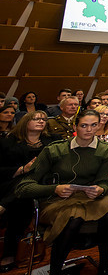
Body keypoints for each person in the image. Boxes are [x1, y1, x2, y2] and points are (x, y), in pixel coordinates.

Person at [16, 110, 108, 275]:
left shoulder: (105, 150)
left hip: (89, 199)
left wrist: (101, 190)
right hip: (57, 200)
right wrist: (54, 189)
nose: (89, 130)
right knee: (74, 215)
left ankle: (104, 267)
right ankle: (56, 269)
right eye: (84, 125)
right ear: (75, 126)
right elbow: (23, 187)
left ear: (100, 126)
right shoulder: (55, 150)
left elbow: (103, 182)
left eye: (94, 125)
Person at [0, 111, 60, 271]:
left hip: (44, 182)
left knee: (24, 192)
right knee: (22, 201)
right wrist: (22, 169)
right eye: (36, 118)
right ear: (25, 122)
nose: (41, 121)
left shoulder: (53, 141)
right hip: (13, 182)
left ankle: (9, 254)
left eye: (44, 119)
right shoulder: (8, 143)